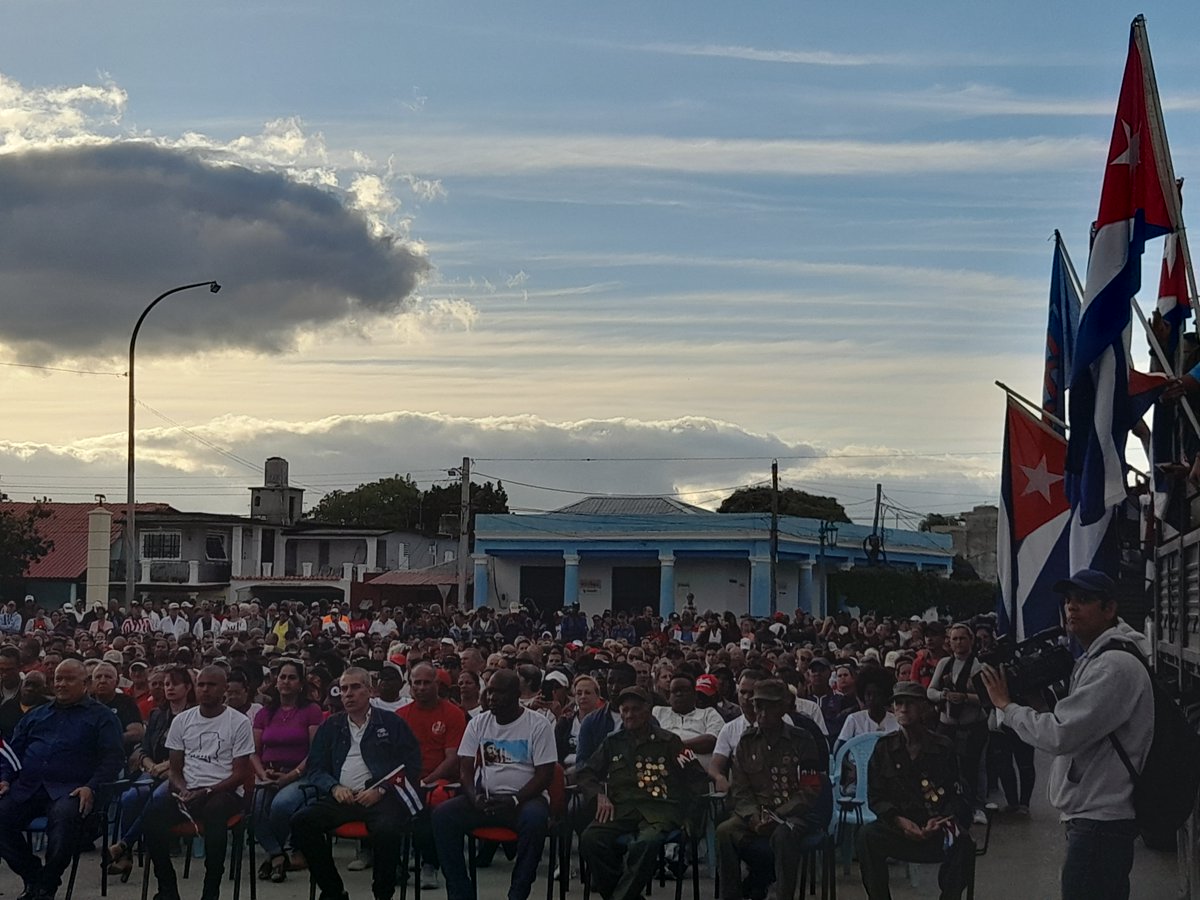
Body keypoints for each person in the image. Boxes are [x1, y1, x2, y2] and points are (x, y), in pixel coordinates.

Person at [981, 569, 1153, 900]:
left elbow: (1060, 736)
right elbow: (1074, 723)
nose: (1071, 607)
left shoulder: (1113, 666)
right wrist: (1035, 700)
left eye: (1084, 600)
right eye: (1068, 600)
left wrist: (1006, 706)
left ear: (1109, 609)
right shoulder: (1099, 659)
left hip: (1100, 820)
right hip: (1094, 819)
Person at [290, 666, 423, 900]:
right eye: (343, 689)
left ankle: (383, 894)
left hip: (380, 798)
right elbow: (315, 767)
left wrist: (382, 789)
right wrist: (334, 787)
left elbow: (411, 764)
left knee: (388, 830)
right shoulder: (331, 726)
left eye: (355, 687)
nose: (348, 694)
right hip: (341, 797)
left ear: (370, 691)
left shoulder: (391, 723)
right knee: (301, 821)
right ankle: (333, 891)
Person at [0, 659, 125, 900]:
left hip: (73, 790)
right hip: (29, 787)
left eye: (69, 679)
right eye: (58, 679)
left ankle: (45, 887)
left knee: (64, 820)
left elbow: (112, 760)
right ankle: (35, 875)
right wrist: (4, 778)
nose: (62, 684)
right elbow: (11, 754)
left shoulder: (103, 717)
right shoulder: (37, 715)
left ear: (85, 683)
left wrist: (91, 787)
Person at [576, 685, 709, 900]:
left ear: (648, 711)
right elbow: (586, 773)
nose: (630, 715)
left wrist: (691, 819)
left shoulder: (670, 742)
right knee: (591, 839)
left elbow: (698, 780)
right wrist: (599, 794)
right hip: (622, 809)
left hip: (661, 811)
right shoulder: (613, 742)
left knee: (645, 844)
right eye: (625, 710)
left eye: (636, 709)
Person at [432, 668, 555, 900]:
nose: (492, 698)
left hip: (524, 801)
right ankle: (461, 892)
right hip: (485, 799)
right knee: (442, 816)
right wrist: (473, 797)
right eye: (489, 692)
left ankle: (518, 893)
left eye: (500, 692)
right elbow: (465, 768)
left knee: (536, 821)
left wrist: (515, 799)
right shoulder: (478, 723)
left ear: (517, 694)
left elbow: (545, 774)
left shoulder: (538, 725)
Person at [143, 665, 255, 900]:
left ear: (224, 689)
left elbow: (240, 773)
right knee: (151, 816)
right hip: (188, 790)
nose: (205, 689)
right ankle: (168, 889)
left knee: (216, 812)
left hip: (223, 791)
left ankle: (210, 890)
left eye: (211, 685)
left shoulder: (239, 722)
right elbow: (174, 770)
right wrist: (183, 789)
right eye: (201, 684)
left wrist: (206, 791)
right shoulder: (183, 721)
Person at [856, 681, 974, 900]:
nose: (903, 708)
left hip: (936, 827)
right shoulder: (884, 749)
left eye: (910, 703)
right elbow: (876, 797)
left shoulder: (943, 747)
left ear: (925, 708)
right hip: (900, 828)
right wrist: (900, 821)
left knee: (963, 842)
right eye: (898, 703)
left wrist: (937, 821)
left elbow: (957, 795)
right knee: (867, 836)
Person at [716, 679, 831, 900]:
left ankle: (782, 895)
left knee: (783, 834)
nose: (762, 712)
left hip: (792, 813)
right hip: (755, 812)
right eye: (758, 706)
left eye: (770, 706)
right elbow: (740, 788)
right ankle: (731, 895)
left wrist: (778, 814)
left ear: (783, 708)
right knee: (725, 830)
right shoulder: (747, 741)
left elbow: (810, 788)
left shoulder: (802, 740)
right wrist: (752, 816)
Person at [109, 666, 197, 880]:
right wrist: (150, 765)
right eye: (166, 684)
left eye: (174, 684)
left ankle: (125, 843)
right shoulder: (158, 714)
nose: (169, 688)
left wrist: (165, 766)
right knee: (130, 798)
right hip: (153, 769)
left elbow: (193, 751)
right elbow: (145, 748)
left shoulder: (195, 715)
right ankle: (126, 855)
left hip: (181, 772)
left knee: (157, 798)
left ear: (187, 687)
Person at [397, 661, 469, 889]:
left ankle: (430, 864)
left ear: (437, 685)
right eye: (416, 683)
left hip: (442, 780)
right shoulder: (400, 715)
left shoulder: (453, 714)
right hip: (409, 778)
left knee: (434, 798)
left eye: (426, 683)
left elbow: (452, 758)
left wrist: (425, 781)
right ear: (409, 686)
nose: (421, 687)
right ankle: (396, 862)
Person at [252, 659, 323, 883]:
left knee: (280, 806)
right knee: (254, 808)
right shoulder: (264, 713)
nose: (286, 681)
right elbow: (253, 751)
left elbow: (316, 752)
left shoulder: (311, 711)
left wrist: (290, 777)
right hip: (268, 773)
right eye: (282, 677)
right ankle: (277, 855)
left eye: (292, 677)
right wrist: (262, 774)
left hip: (300, 775)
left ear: (301, 683)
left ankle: (274, 856)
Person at [0, 669, 49, 740]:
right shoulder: (8, 706)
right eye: (27, 684)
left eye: (35, 685)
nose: (30, 689)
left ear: (44, 689)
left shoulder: (48, 709)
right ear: (21, 685)